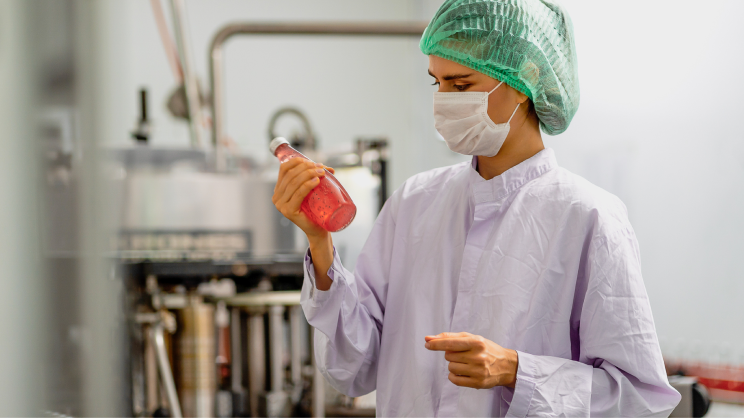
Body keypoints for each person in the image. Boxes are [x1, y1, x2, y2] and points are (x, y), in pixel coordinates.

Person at [272, 0, 681, 416]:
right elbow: (354, 369)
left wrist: (517, 371)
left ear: (524, 81)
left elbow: (637, 399)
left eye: (462, 85)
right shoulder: (415, 203)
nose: (444, 100)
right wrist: (320, 243)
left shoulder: (588, 217)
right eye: (437, 83)